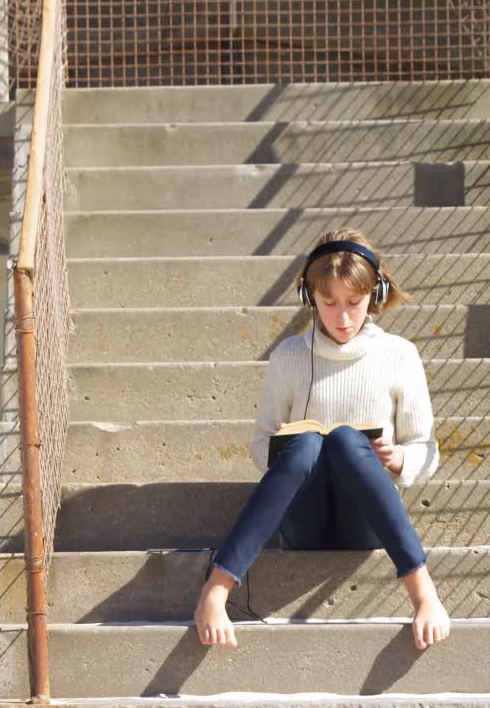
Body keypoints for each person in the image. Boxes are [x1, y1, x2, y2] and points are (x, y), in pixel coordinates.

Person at [192, 229, 451, 651]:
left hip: (367, 520)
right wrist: (281, 451)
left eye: (354, 302)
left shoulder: (399, 354)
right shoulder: (289, 356)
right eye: (329, 303)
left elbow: (427, 448)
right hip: (303, 520)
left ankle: (424, 595)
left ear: (376, 293)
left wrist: (397, 458)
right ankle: (215, 592)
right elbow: (259, 444)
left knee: (347, 440)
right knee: (309, 444)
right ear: (309, 298)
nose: (343, 317)